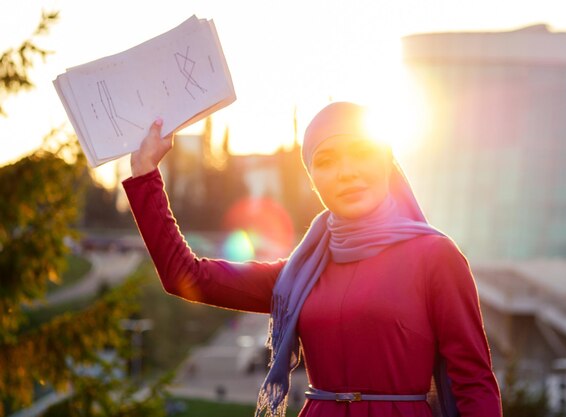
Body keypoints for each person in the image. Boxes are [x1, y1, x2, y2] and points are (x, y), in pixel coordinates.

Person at [122, 102, 502, 417]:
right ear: (312, 178)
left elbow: (474, 382)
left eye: (362, 153)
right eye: (327, 161)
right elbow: (185, 276)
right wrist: (145, 176)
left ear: (387, 162)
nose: (347, 172)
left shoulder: (436, 257)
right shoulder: (300, 274)